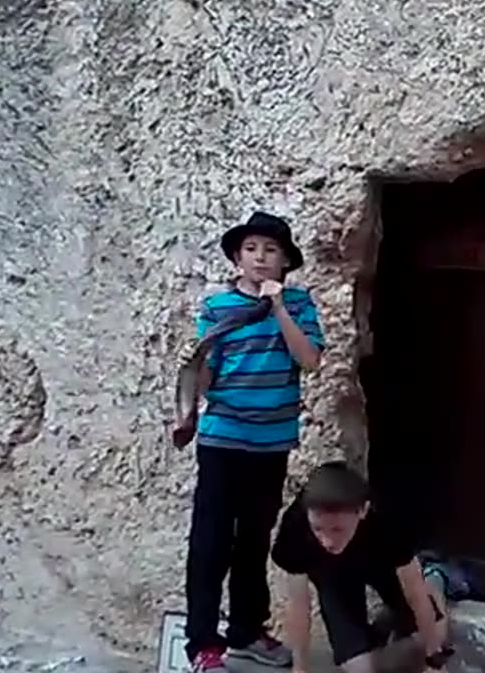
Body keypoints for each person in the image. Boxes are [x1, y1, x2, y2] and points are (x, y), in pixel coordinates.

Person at [174, 211, 326, 672]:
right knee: (210, 542)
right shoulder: (217, 309)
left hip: (271, 443)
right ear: (238, 258)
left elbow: (311, 360)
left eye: (271, 250)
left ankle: (245, 630)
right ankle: (203, 644)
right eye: (252, 250)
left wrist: (277, 307)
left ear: (285, 261)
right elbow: (205, 378)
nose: (261, 258)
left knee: (254, 541)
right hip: (223, 441)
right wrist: (188, 392)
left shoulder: (298, 305)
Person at [271, 462, 452, 673]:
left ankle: (435, 576)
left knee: (436, 633)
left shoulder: (386, 518)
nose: (327, 540)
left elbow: (415, 593)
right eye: (318, 529)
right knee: (360, 669)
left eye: (337, 529)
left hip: (382, 562)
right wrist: (300, 669)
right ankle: (384, 626)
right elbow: (299, 606)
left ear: (363, 510)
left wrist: (434, 659)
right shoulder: (296, 527)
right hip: (332, 574)